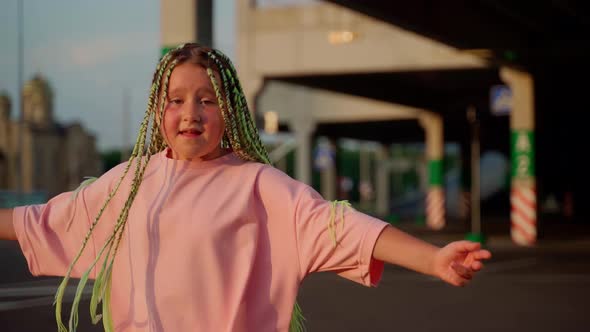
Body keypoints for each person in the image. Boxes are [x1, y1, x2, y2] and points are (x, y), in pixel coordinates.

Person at [0, 43, 491, 332]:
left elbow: (342, 227)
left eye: (207, 100)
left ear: (229, 110)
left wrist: (432, 259)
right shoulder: (128, 183)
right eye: (176, 99)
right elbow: (41, 221)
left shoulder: (260, 185)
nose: (190, 113)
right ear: (158, 110)